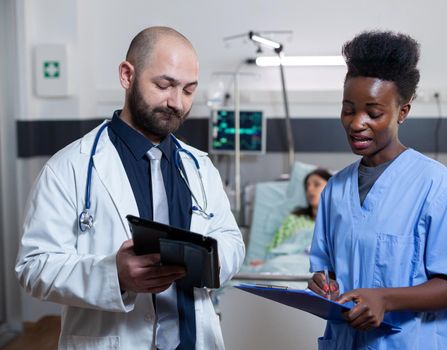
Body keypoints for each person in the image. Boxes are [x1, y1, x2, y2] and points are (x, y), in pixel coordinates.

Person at [15, 26, 245, 350]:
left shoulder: (199, 167)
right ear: (127, 75)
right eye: (164, 85)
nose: (177, 103)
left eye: (189, 90)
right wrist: (114, 276)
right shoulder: (69, 167)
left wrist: (209, 261)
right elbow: (33, 266)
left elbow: (232, 239)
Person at [308, 31, 447, 349]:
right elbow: (329, 270)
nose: (356, 123)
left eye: (374, 113)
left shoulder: (437, 188)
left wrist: (385, 299)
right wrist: (325, 285)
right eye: (348, 109)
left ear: (402, 112)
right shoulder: (335, 189)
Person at [268, 168, 332, 250]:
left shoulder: (339, 221)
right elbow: (275, 248)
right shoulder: (294, 219)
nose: (310, 189)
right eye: (307, 186)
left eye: (316, 185)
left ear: (331, 188)